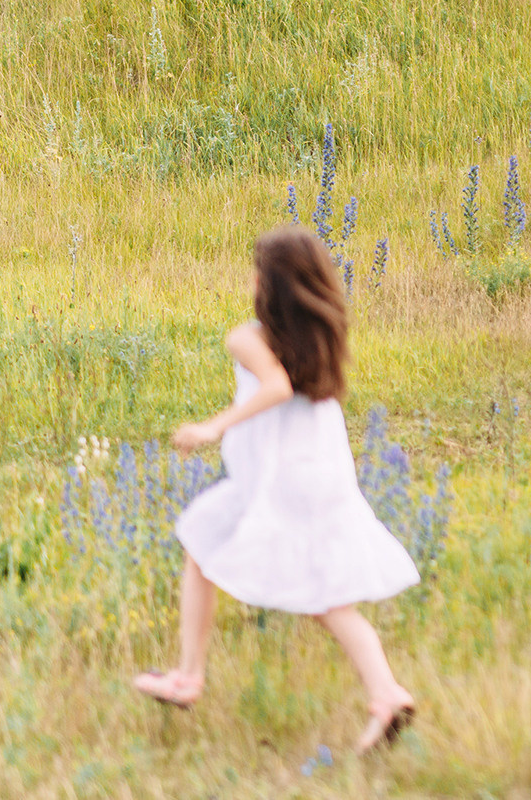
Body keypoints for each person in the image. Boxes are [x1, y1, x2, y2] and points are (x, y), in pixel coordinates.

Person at [132, 227, 420, 754]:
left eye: (256, 269)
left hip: (274, 484)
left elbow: (276, 387)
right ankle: (387, 694)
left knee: (199, 543)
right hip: (324, 482)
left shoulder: (250, 338)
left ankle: (188, 677)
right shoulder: (319, 342)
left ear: (269, 284)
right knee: (329, 599)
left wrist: (213, 426)